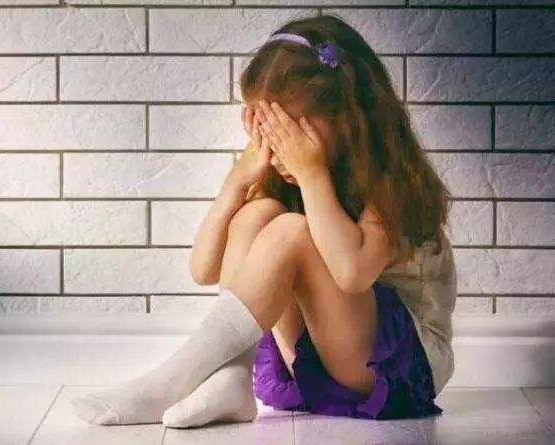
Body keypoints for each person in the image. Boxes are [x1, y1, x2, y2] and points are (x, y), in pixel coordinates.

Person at [70, 13, 457, 428]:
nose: (278, 148)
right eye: (267, 130)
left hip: (400, 366)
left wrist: (312, 174)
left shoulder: (391, 177)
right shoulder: (280, 176)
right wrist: (237, 183)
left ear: (347, 118)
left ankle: (170, 382)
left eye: (290, 132)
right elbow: (203, 269)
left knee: (292, 231)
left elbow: (351, 273)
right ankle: (231, 378)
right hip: (320, 358)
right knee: (259, 214)